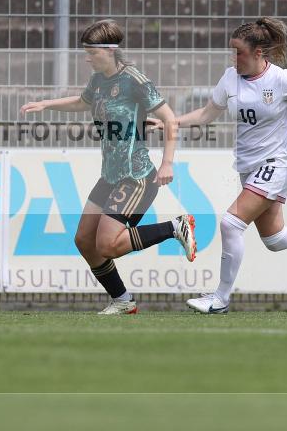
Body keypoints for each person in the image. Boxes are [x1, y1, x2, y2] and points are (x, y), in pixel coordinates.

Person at [169, 17, 287, 314]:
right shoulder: (230, 78)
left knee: (231, 224)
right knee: (275, 239)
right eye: (233, 52)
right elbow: (206, 114)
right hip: (249, 166)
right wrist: (172, 122)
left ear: (259, 53)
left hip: (277, 164)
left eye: (239, 52)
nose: (234, 58)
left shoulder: (281, 79)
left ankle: (221, 299)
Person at [21, 19, 196, 315]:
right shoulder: (99, 80)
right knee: (84, 241)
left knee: (107, 244)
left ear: (109, 50)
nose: (87, 58)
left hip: (137, 177)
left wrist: (167, 163)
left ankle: (174, 227)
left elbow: (170, 119)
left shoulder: (135, 80)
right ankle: (123, 301)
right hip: (110, 177)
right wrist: (46, 104)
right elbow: (82, 101)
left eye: (91, 52)